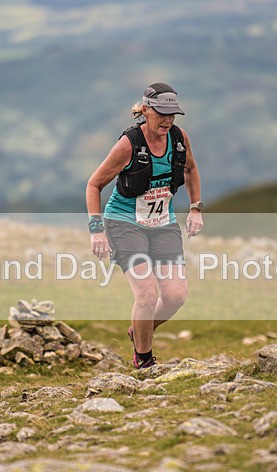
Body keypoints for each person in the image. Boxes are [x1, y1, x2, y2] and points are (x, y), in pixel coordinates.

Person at [85, 82, 204, 369]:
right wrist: (96, 229)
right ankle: (144, 359)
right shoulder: (128, 145)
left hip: (163, 223)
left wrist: (196, 208)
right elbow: (94, 184)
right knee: (148, 293)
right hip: (125, 222)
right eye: (162, 113)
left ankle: (141, 329)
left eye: (173, 114)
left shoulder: (178, 138)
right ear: (146, 110)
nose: (168, 120)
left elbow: (190, 168)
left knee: (175, 296)